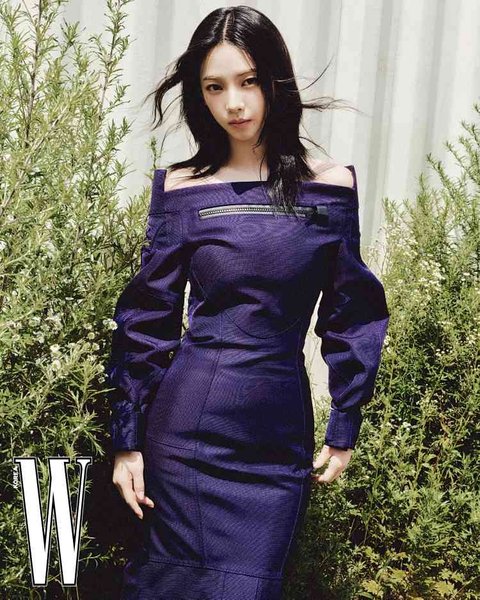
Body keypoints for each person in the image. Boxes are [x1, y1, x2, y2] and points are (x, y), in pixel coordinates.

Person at [105, 6, 390, 599]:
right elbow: (147, 320)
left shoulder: (330, 187)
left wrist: (345, 422)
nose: (233, 103)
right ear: (199, 95)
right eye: (215, 87)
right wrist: (128, 439)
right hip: (186, 434)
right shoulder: (182, 188)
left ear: (275, 81)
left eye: (248, 81)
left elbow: (353, 315)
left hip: (276, 441)